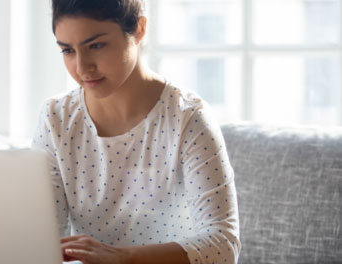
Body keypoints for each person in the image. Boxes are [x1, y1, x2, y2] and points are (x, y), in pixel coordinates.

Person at [32, 0, 241, 263]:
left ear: (139, 29)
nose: (82, 67)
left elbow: (223, 246)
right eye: (67, 51)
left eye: (96, 45)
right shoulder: (55, 118)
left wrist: (121, 258)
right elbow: (40, 237)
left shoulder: (187, 117)